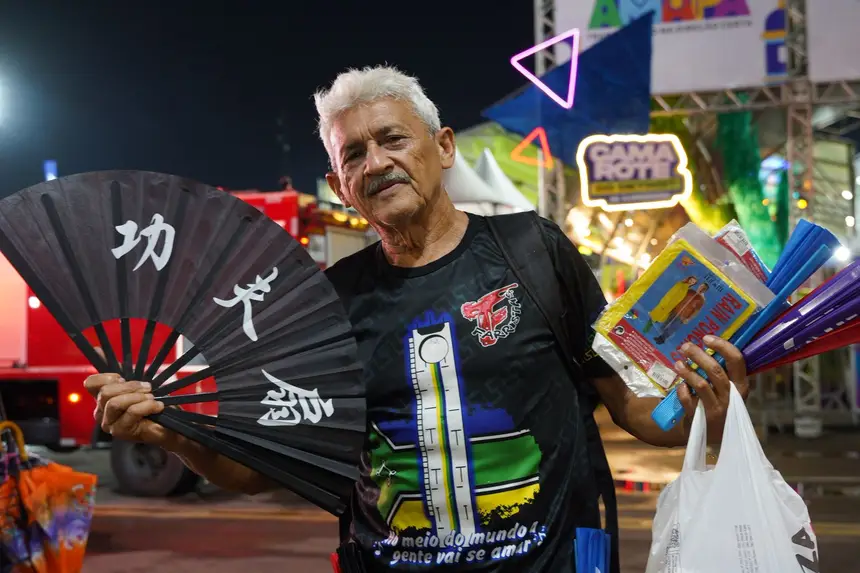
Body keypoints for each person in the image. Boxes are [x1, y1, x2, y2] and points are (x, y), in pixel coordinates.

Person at [83, 66, 749, 573]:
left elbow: (632, 407)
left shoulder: (534, 252)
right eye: (353, 154)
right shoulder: (330, 303)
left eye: (393, 139)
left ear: (444, 146)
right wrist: (170, 436)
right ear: (340, 184)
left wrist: (711, 409)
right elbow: (265, 470)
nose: (375, 163)